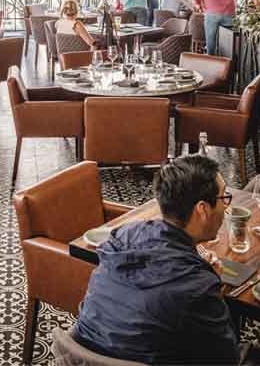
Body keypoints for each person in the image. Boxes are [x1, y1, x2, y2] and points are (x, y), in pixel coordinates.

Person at [73, 155, 239, 364]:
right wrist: (213, 286)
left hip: (84, 354)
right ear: (203, 209)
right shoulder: (197, 286)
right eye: (224, 198)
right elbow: (227, 359)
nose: (226, 208)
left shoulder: (122, 235)